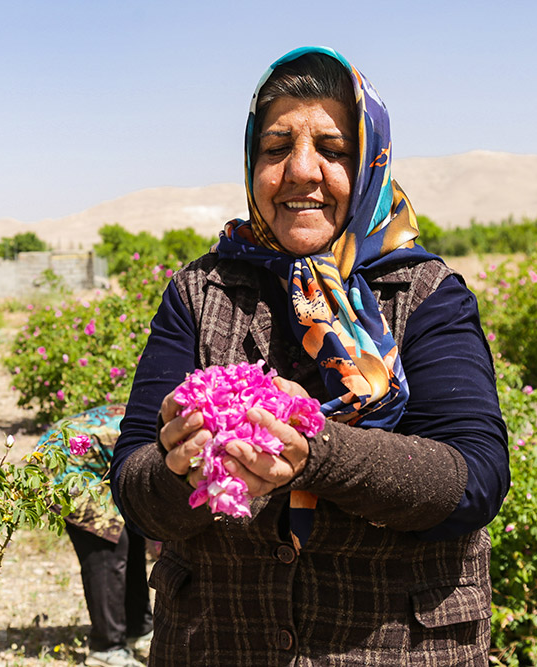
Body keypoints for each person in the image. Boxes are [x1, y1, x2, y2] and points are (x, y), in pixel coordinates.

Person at [111, 46, 509, 665]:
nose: (301, 170)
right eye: (275, 149)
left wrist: (316, 449)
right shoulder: (201, 291)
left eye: (333, 149)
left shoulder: (426, 295)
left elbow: (475, 479)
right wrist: (179, 464)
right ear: (251, 162)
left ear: (370, 163)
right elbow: (134, 489)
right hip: (219, 644)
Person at [36, 404, 153, 667]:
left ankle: (139, 629)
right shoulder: (176, 433)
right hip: (65, 468)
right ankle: (106, 648)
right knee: (108, 548)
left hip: (95, 464)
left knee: (131, 534)